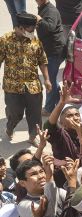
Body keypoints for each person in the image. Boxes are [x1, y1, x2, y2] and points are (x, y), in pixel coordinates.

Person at [0, 12, 51, 144]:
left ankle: (33, 137)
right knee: (15, 113)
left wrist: (46, 79)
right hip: (12, 86)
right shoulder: (5, 40)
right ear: (20, 28)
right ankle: (10, 127)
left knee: (35, 115)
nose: (33, 32)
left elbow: (42, 60)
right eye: (31, 30)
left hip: (33, 86)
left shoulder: (35, 41)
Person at [36, 0, 65, 116]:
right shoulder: (43, 7)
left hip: (54, 51)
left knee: (49, 80)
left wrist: (39, 20)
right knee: (52, 79)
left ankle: (48, 109)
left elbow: (50, 27)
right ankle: (60, 104)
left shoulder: (50, 10)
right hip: (50, 50)